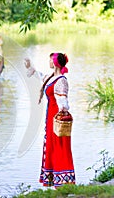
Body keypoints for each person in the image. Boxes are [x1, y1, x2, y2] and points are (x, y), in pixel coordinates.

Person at [24, 53, 75, 188]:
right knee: (51, 146)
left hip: (58, 118)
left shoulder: (61, 80)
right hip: (50, 117)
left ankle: (64, 180)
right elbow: (40, 76)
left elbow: (63, 101)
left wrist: (62, 110)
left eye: (50, 60)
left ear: (56, 63)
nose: (49, 62)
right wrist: (31, 67)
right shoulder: (52, 78)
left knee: (60, 146)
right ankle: (56, 179)